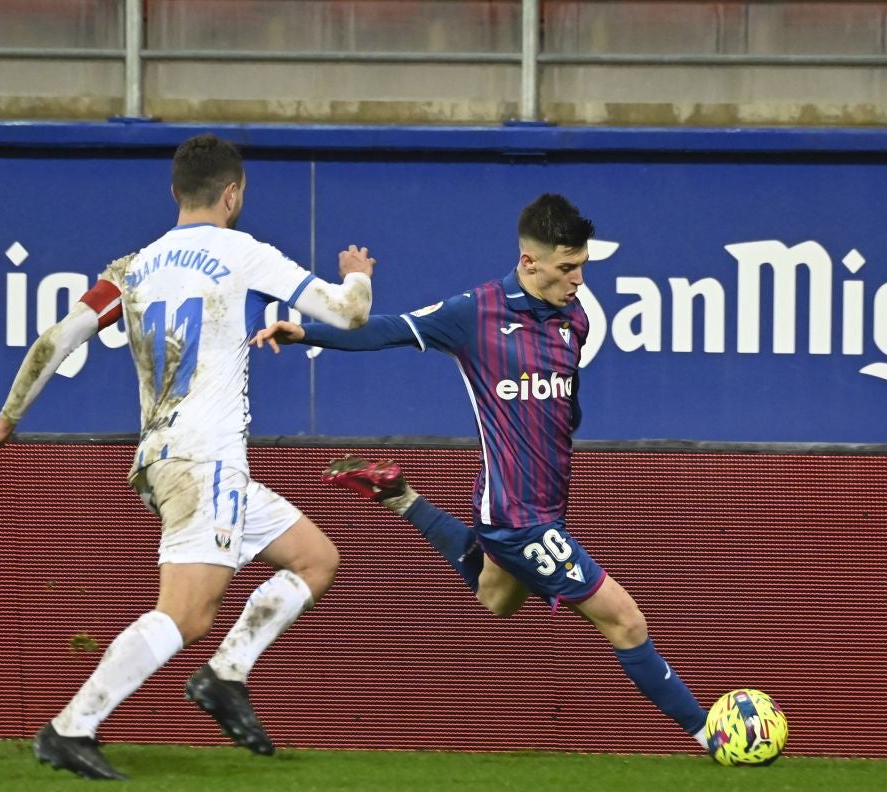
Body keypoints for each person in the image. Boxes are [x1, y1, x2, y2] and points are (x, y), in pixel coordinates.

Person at [0, 134, 376, 779]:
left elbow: (58, 338)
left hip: (165, 457)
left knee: (313, 558)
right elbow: (350, 315)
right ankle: (72, 727)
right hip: (204, 461)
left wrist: (5, 419)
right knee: (185, 613)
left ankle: (225, 675)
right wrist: (358, 273)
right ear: (233, 193)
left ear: (174, 192)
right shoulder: (242, 252)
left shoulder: (131, 267)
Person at [250, 193, 712, 751]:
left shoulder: (576, 318)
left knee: (497, 599)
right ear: (529, 261)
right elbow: (388, 329)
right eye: (568, 268)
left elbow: (562, 405)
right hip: (519, 518)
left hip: (541, 503)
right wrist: (309, 332)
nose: (579, 280)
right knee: (626, 623)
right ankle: (711, 734)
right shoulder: (476, 313)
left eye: (583, 265)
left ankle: (398, 495)